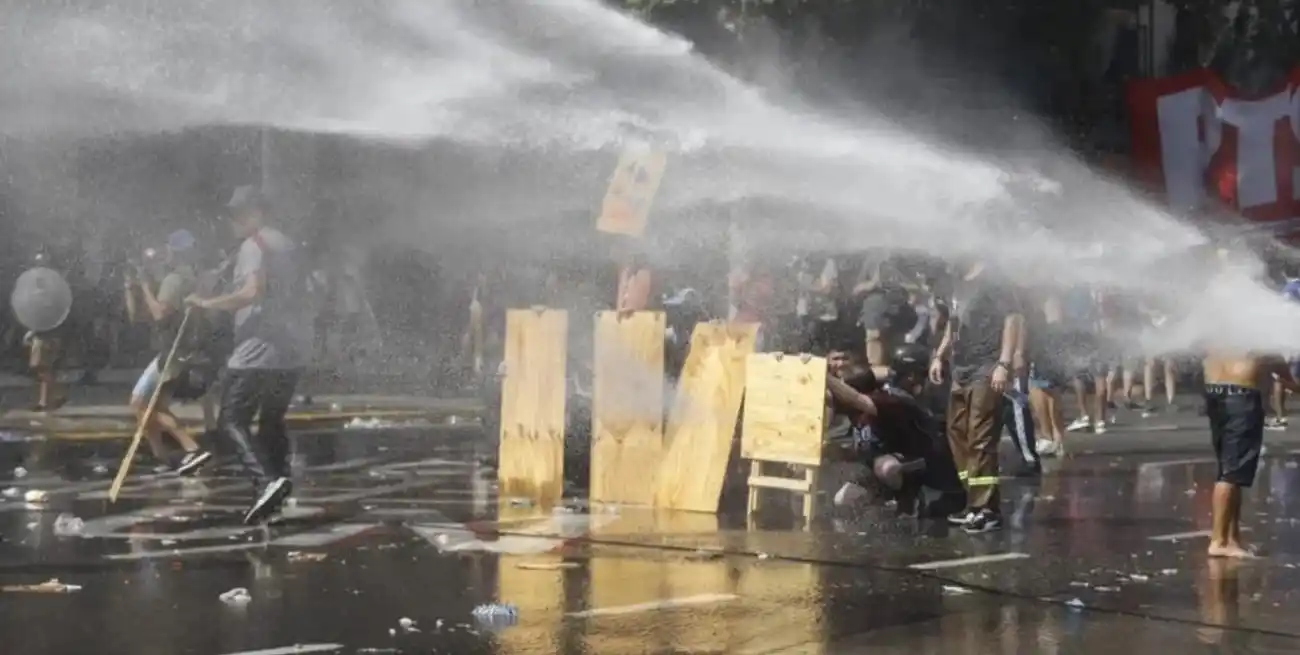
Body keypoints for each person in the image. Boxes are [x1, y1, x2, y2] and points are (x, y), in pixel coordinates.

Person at [187, 186, 314, 524]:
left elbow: (252, 292)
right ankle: (280, 481)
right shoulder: (286, 244)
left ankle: (267, 482)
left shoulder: (254, 245)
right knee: (271, 421)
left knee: (231, 420)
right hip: (293, 350)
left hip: (259, 351)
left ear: (258, 213)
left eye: (239, 214)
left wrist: (207, 303)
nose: (234, 221)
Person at [929, 259, 1023, 533]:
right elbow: (953, 324)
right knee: (957, 433)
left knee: (980, 437)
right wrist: (940, 355)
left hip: (987, 366)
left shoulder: (995, 279)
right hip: (961, 368)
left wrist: (1004, 363)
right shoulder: (958, 281)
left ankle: (987, 510)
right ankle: (973, 501)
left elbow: (1013, 319)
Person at [827, 343, 966, 519]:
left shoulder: (899, 400)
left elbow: (856, 399)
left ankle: (908, 496)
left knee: (887, 468)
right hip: (884, 458)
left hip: (920, 464)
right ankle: (886, 497)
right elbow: (874, 374)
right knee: (844, 499)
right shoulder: (881, 388)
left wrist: (826, 378)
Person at [123, 229, 212, 475]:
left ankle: (191, 448)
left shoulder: (175, 280)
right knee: (146, 403)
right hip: (178, 349)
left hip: (173, 351)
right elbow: (139, 316)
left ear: (174, 251)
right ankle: (161, 456)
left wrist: (144, 286)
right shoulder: (194, 278)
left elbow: (159, 313)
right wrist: (134, 289)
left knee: (145, 404)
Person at [1202, 351, 1294, 557]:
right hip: (1242, 397)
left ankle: (1232, 537)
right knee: (1231, 474)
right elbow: (1286, 377)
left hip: (1214, 394)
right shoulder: (1260, 339)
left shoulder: (1219, 334)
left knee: (1231, 470)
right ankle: (1219, 541)